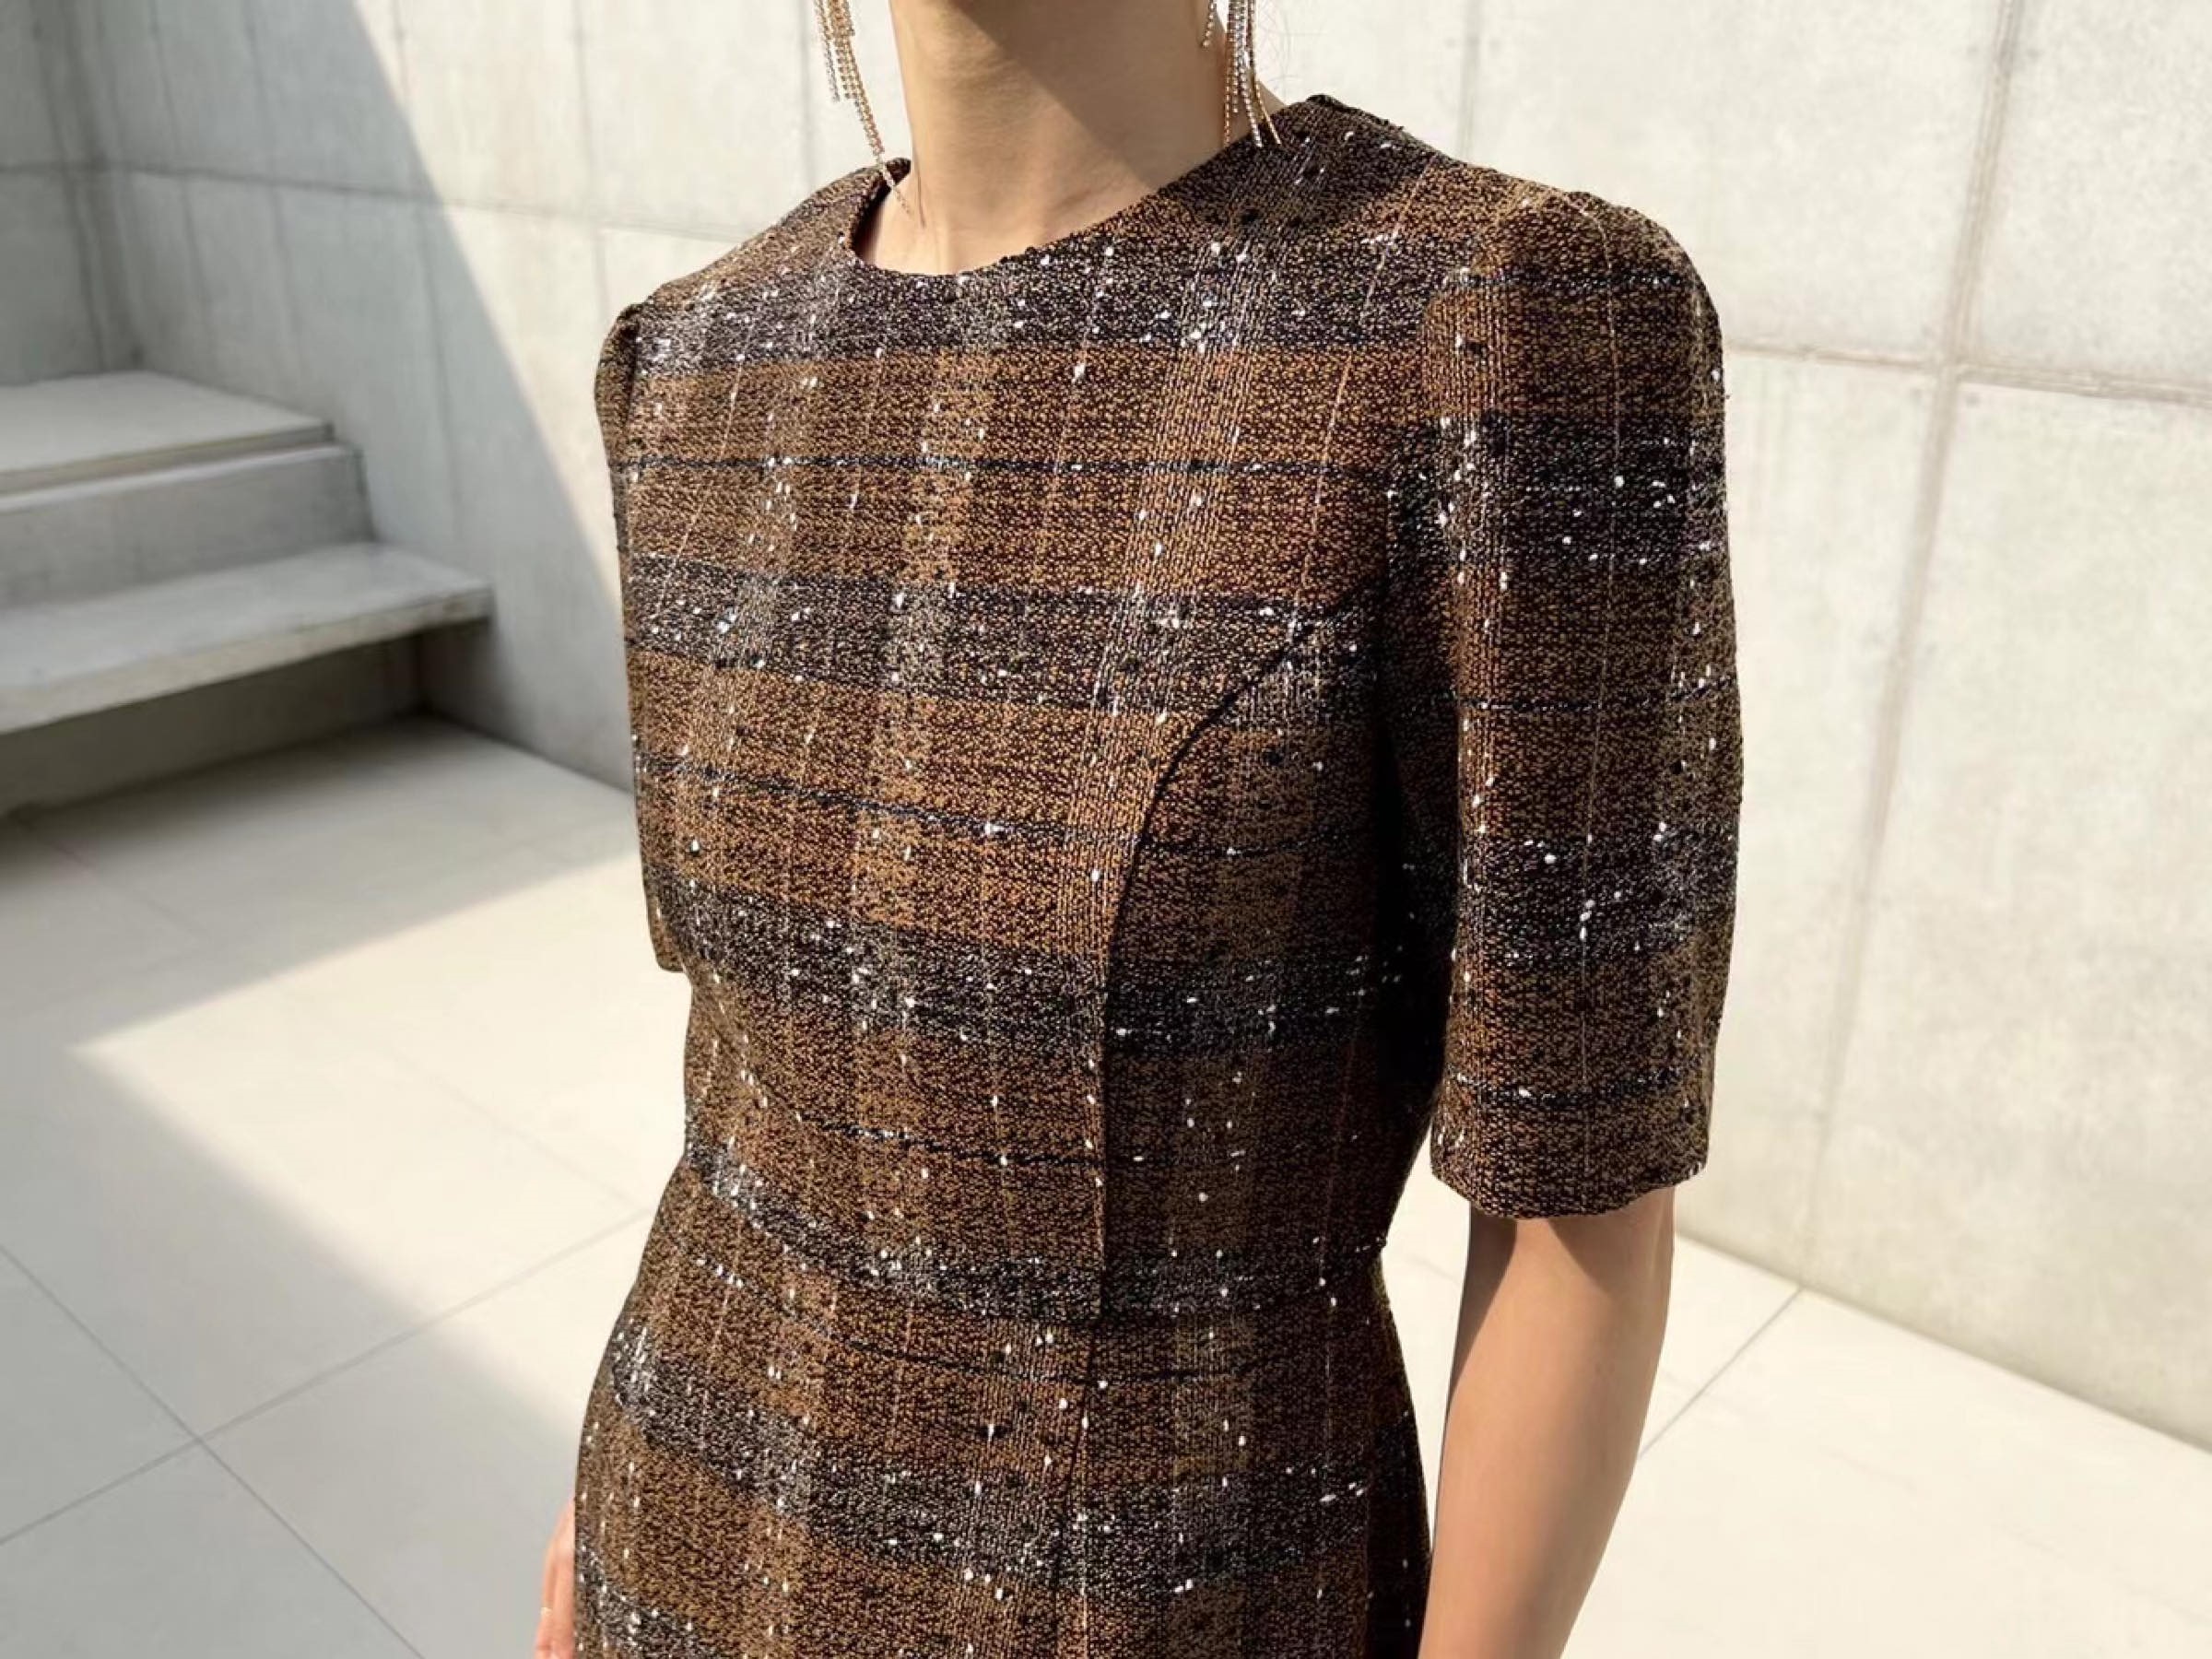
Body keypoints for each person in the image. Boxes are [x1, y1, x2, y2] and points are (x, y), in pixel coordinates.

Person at [537, 1, 1742, 1653]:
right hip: (671, 1530)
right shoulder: (694, 358)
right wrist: (596, 1512)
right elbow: (746, 1084)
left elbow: (1581, 1187)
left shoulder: (1499, 321)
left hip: (1165, 1590)